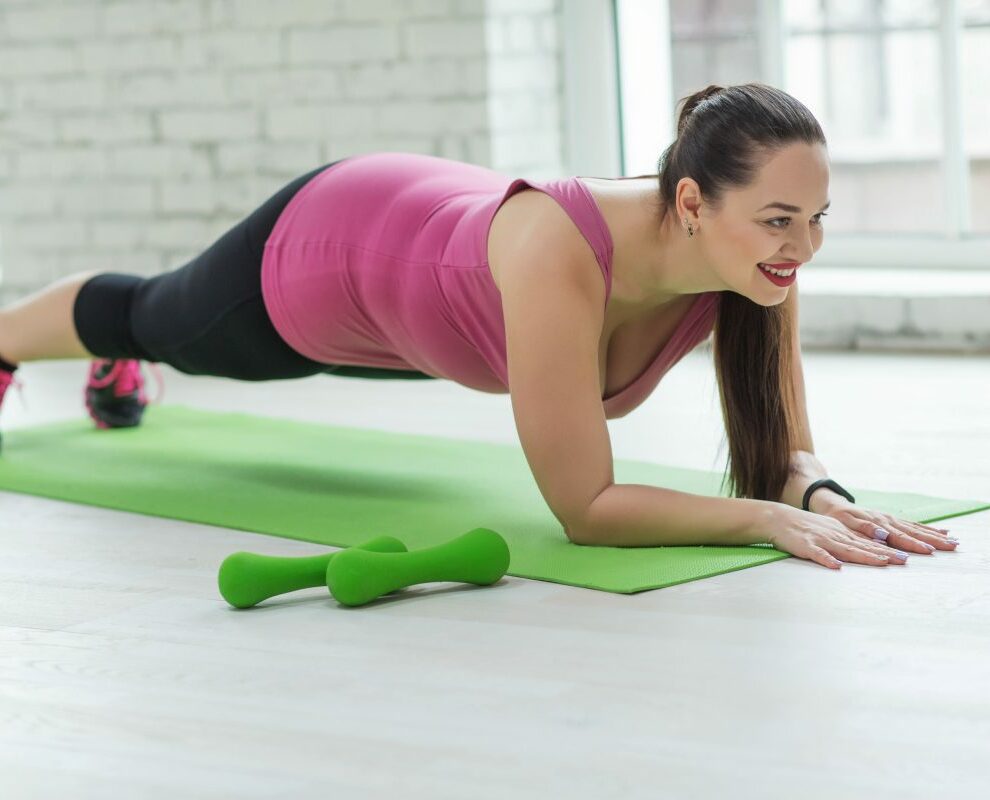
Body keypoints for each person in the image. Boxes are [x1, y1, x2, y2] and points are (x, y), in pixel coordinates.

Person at [0, 82, 956, 568]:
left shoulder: (745, 265)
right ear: (696, 202)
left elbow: (783, 441)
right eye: (781, 221)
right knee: (158, 317)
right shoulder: (563, 253)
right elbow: (585, 512)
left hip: (439, 313)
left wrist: (819, 492)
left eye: (818, 217)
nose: (805, 247)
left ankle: (111, 360)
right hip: (341, 251)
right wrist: (767, 522)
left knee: (163, 329)